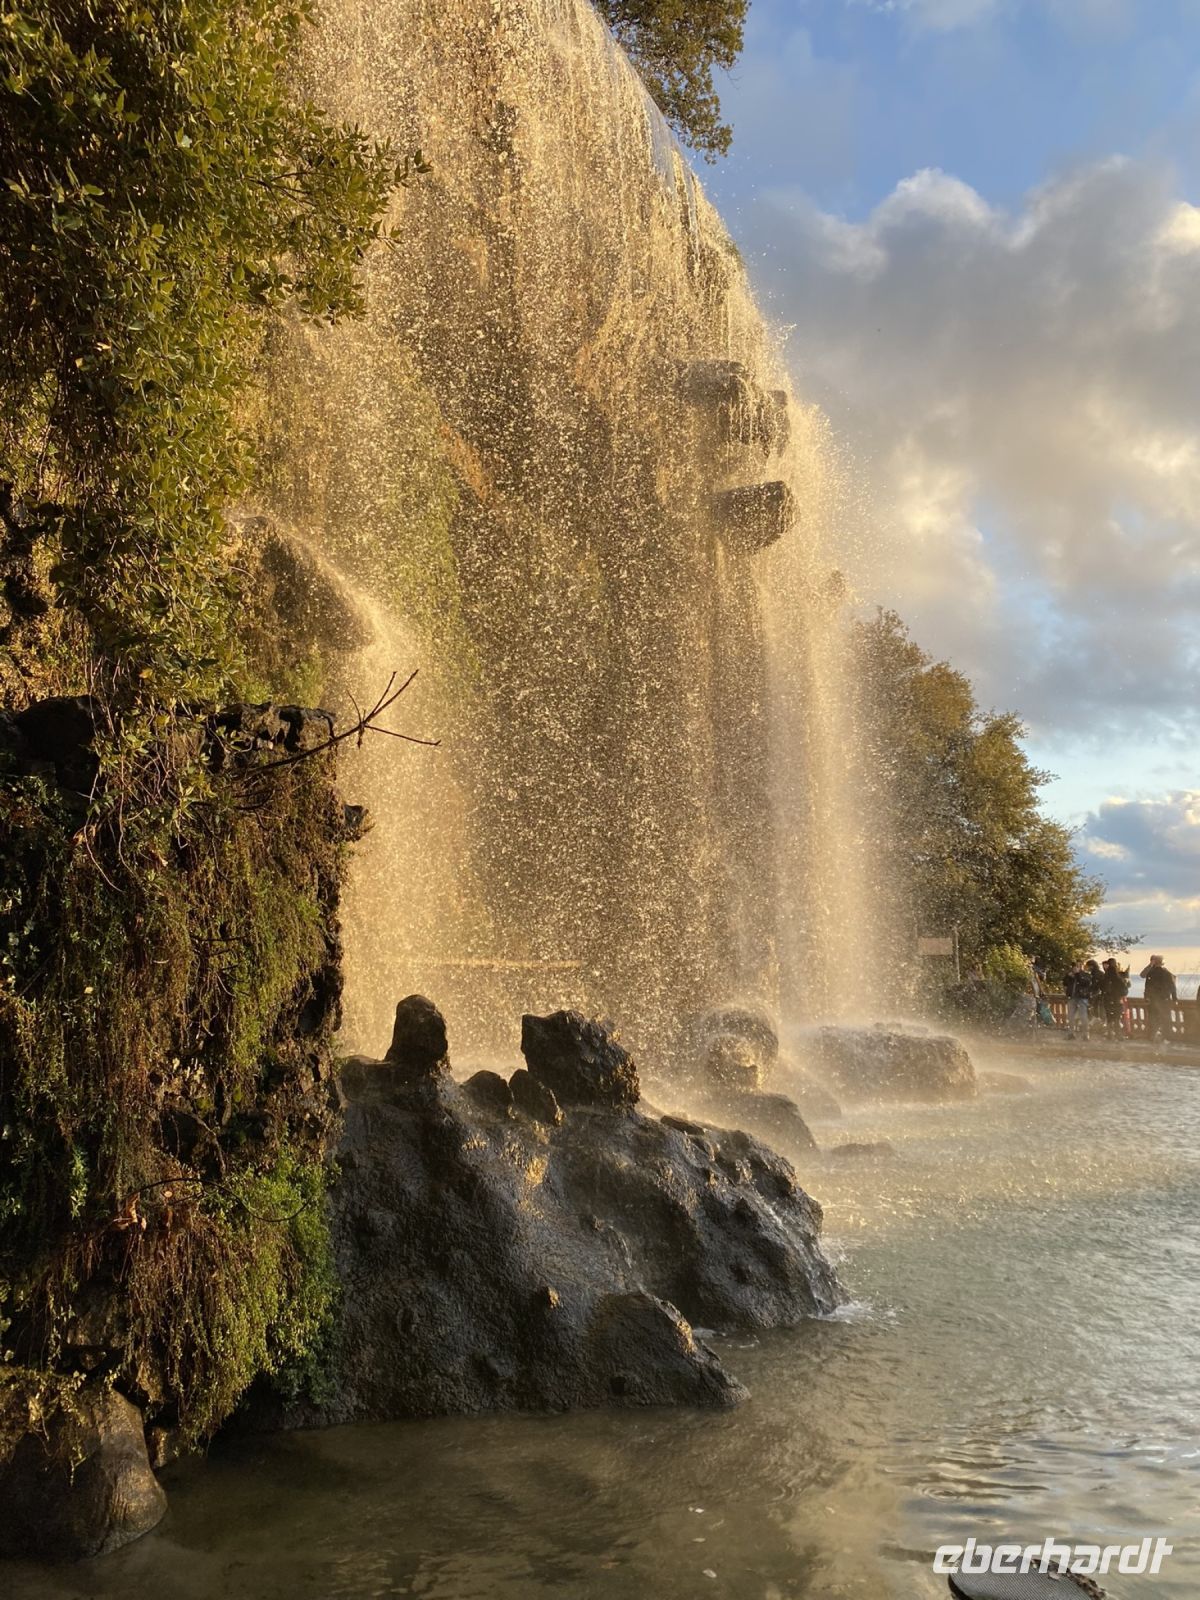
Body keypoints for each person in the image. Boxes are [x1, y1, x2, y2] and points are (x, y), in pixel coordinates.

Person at [1140, 955, 1178, 1043]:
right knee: (1165, 1019)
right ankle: (1165, 1036)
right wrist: (1175, 998)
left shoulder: (1151, 973)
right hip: (1163, 999)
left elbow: (1144, 978)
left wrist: (1147, 997)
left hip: (1153, 1000)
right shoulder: (1167, 973)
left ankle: (1153, 1036)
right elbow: (1172, 986)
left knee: (1153, 1019)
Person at [1099, 958, 1130, 1040]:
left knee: (1109, 1017)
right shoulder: (1118, 976)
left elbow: (1102, 987)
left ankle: (1110, 1034)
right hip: (1117, 999)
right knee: (1117, 1018)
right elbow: (1124, 990)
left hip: (1107, 999)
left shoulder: (1106, 976)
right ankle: (1118, 1035)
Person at [1064, 961, 1092, 1041]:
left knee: (1083, 1017)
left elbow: (1084, 983)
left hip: (1082, 998)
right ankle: (1071, 1033)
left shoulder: (1086, 975)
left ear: (1082, 966)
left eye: (1078, 966)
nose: (1076, 967)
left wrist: (1077, 974)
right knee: (1070, 1016)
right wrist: (1068, 976)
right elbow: (1065, 983)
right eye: (1075, 966)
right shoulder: (1071, 975)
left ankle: (1086, 1034)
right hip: (1072, 997)